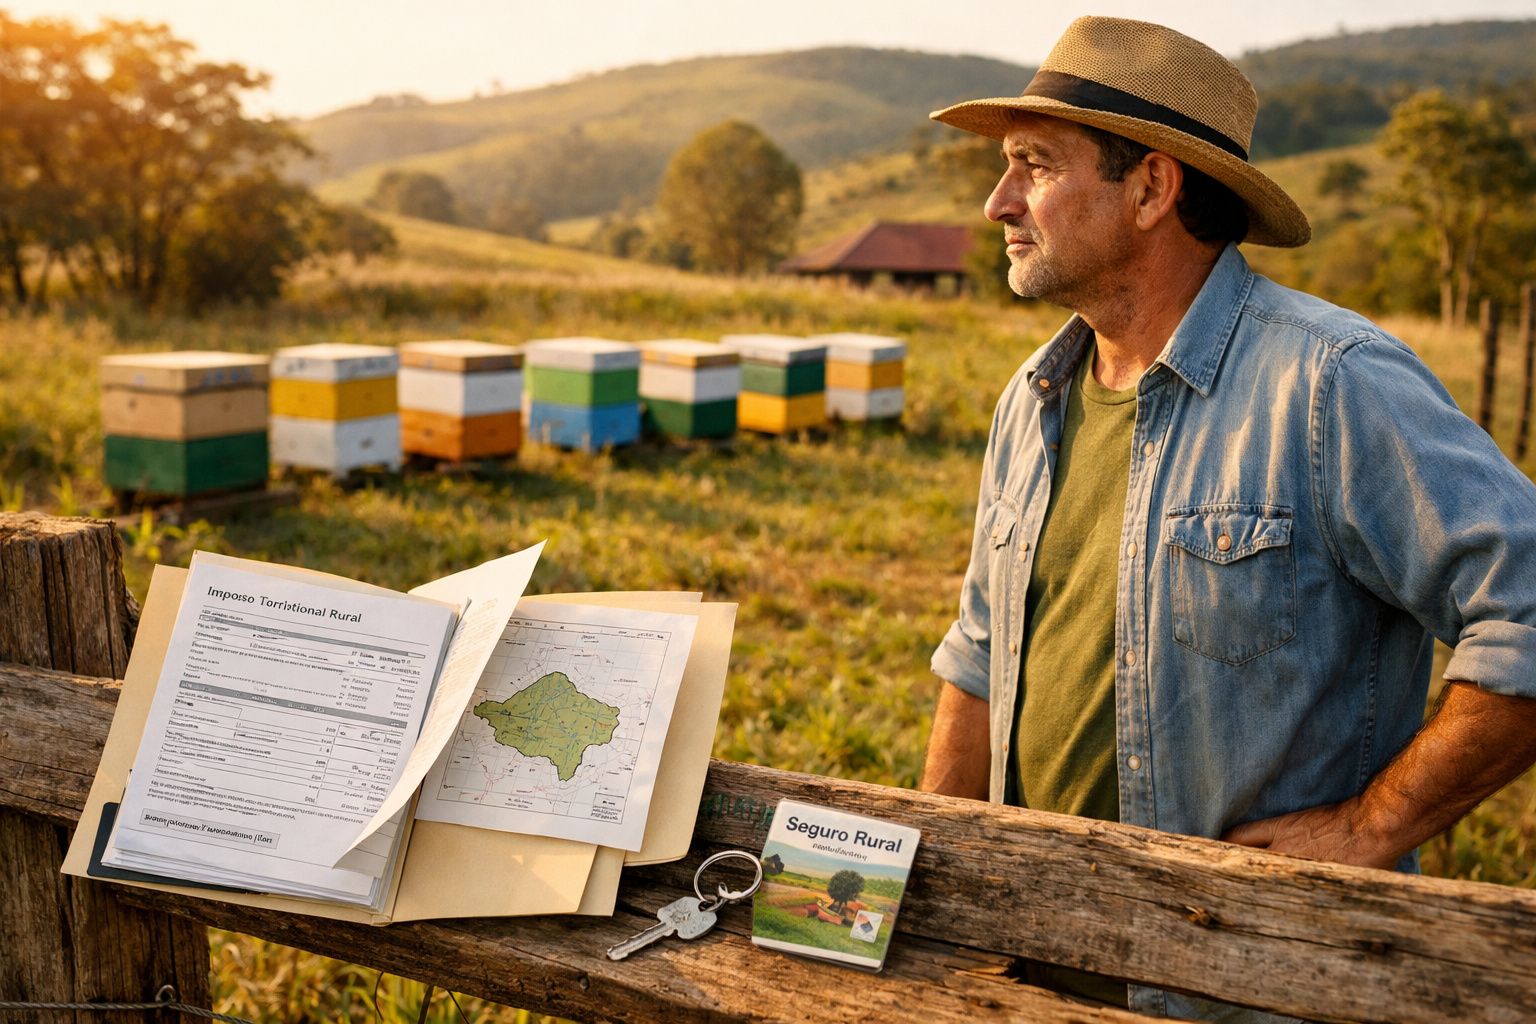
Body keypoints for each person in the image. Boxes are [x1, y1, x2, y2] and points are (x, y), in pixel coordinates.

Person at [919, 15, 1536, 1020]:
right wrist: (933, 894)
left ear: (1152, 189)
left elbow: (1529, 606)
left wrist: (1371, 826)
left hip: (1250, 990)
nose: (999, 202)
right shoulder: (1033, 397)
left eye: (1035, 165)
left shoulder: (1331, 383)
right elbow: (982, 659)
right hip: (1028, 978)